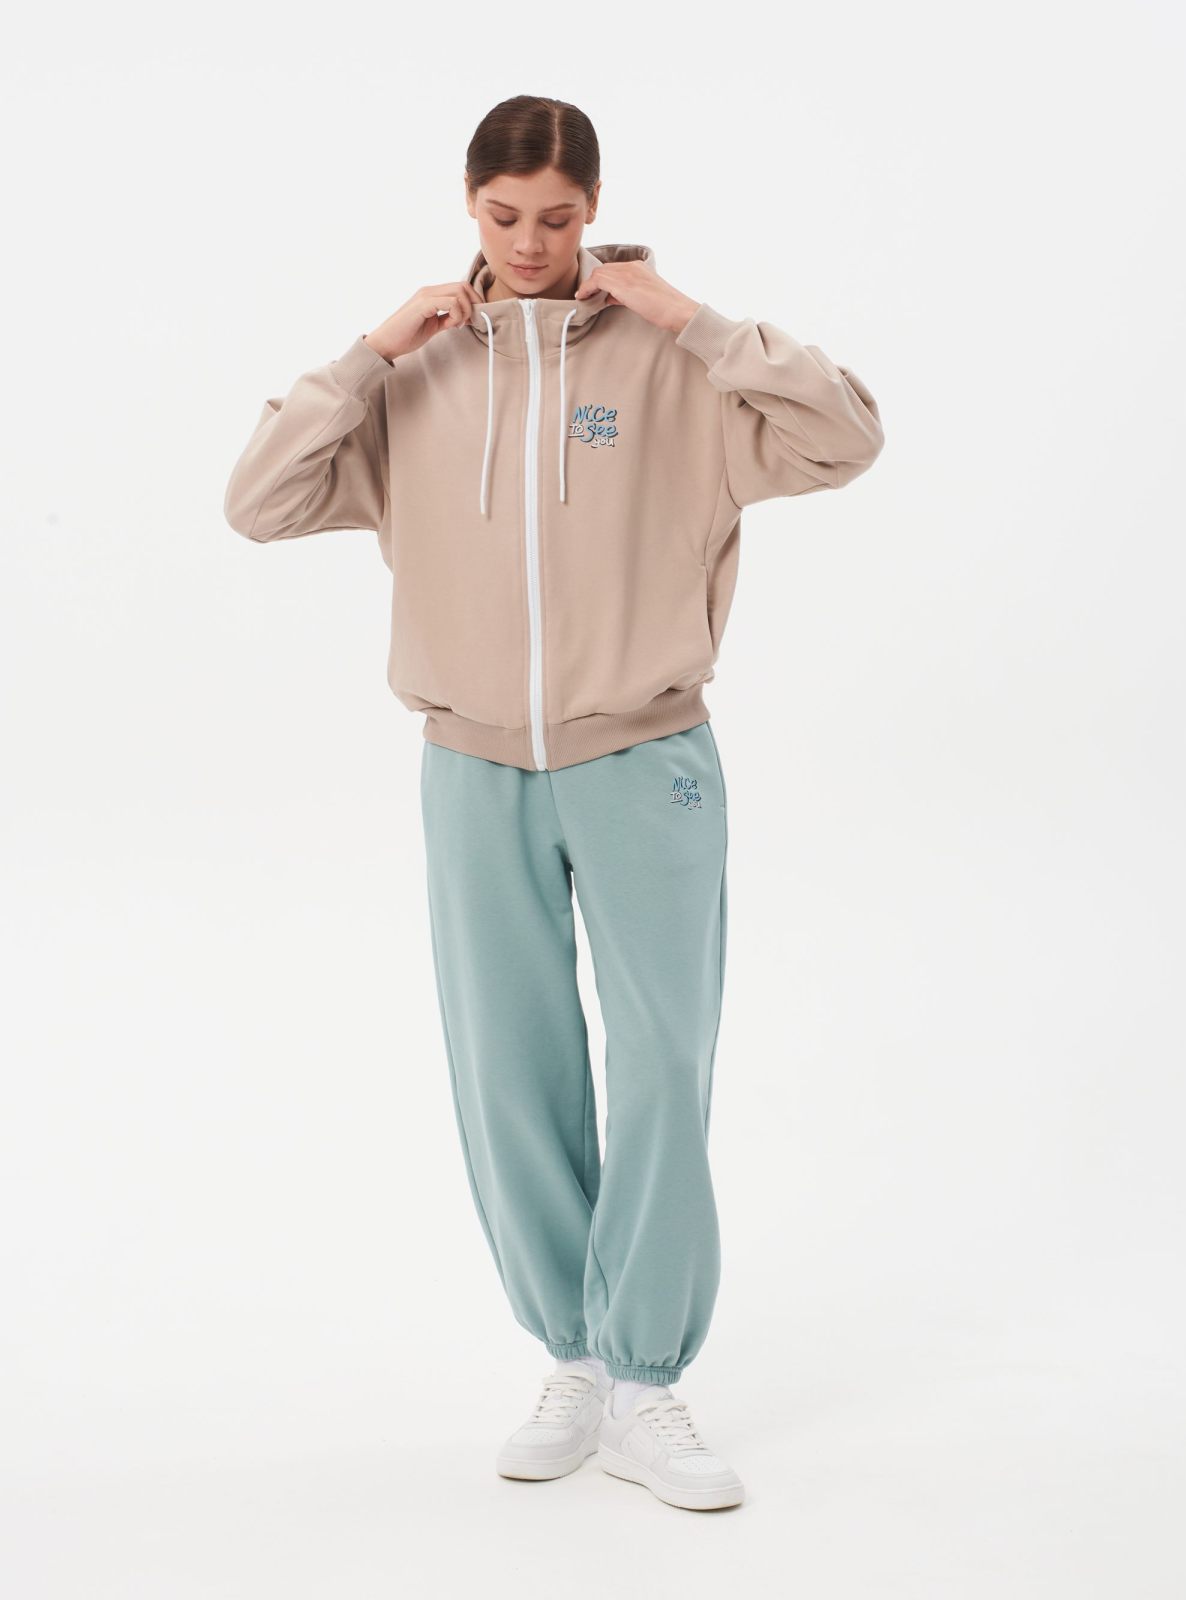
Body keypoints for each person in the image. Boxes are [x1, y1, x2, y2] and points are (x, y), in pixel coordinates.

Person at [223, 93, 884, 1512]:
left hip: (645, 758)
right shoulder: (416, 377)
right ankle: (574, 1357)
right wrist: (369, 354)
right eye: (504, 216)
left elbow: (844, 439)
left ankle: (647, 1381)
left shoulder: (674, 365)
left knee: (661, 1069)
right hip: (472, 769)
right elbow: (259, 501)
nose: (530, 244)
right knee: (509, 1074)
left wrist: (691, 319)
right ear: (470, 207)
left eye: (560, 218)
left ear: (596, 209)